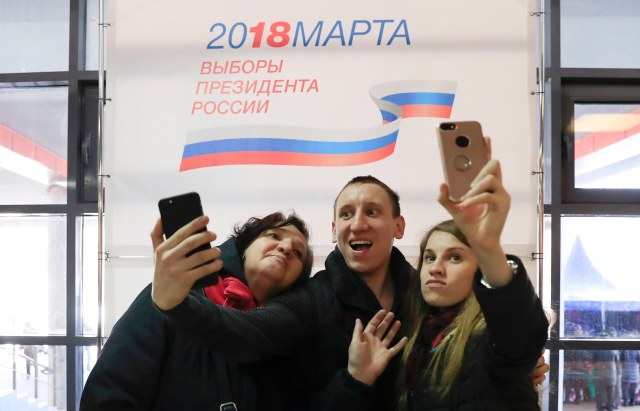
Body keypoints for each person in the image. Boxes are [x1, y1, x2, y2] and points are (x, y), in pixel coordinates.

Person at [152, 161, 549, 410]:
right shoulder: (314, 299)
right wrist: (176, 302)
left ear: (398, 226)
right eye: (346, 213)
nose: (358, 223)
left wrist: (517, 366)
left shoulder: (425, 294)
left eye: (372, 212)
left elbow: (506, 333)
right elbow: (245, 334)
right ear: (335, 229)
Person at [79, 211, 315, 411]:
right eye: (274, 235)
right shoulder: (173, 297)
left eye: (298, 253)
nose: (286, 248)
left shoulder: (289, 337)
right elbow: (109, 394)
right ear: (244, 247)